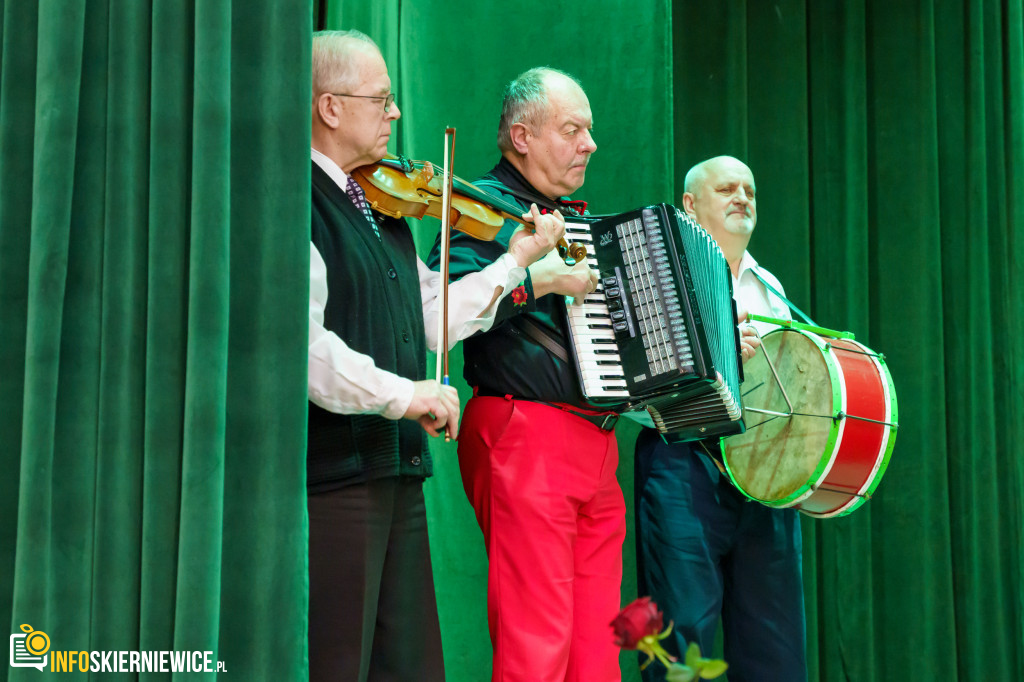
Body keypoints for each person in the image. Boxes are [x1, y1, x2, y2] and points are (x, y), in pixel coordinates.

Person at [307, 32, 566, 682]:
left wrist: (515, 262)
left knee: (412, 666)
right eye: (382, 100)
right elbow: (304, 349)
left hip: (398, 473)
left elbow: (433, 318)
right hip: (336, 479)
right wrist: (406, 396)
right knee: (337, 664)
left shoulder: (382, 206)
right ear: (331, 108)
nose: (396, 114)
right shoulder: (298, 204)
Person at [427, 67, 625, 682]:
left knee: (596, 655)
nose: (589, 144)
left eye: (589, 131)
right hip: (525, 431)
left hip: (597, 442)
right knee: (535, 647)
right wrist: (537, 279)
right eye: (572, 130)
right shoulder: (480, 210)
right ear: (522, 136)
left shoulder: (574, 219)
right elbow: (449, 312)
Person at [633, 156, 806, 681]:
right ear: (690, 205)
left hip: (764, 472)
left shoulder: (769, 286)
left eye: (750, 190)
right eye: (727, 188)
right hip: (684, 462)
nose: (742, 198)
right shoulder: (655, 273)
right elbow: (635, 384)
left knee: (775, 641)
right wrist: (718, 351)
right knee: (682, 636)